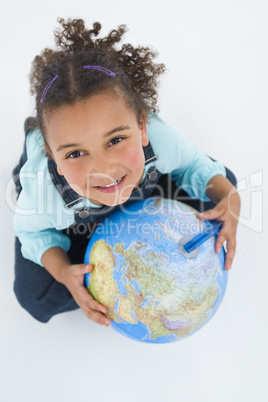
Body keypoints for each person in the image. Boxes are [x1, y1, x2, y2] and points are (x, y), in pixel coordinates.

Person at [12, 18, 241, 327]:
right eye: (75, 153)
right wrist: (66, 272)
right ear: (53, 156)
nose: (104, 169)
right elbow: (32, 231)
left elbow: (194, 166)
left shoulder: (160, 139)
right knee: (36, 297)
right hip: (72, 210)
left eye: (116, 140)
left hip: (134, 180)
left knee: (222, 186)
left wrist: (229, 198)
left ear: (142, 127)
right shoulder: (43, 194)